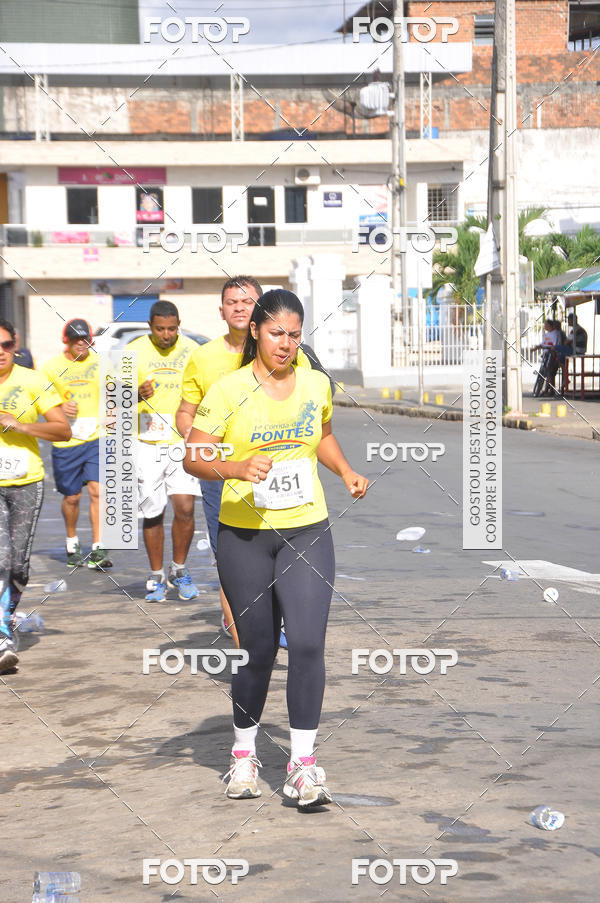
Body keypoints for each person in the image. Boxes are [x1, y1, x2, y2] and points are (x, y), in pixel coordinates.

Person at [184, 289, 368, 809]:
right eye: (276, 333)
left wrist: (346, 470)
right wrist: (236, 467)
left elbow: (322, 437)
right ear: (255, 332)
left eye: (294, 334)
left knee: (307, 644)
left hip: (306, 529)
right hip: (244, 535)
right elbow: (193, 456)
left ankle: (303, 767)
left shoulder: (314, 383)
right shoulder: (228, 389)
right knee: (258, 650)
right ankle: (243, 753)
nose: (285, 344)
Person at [175, 276, 329, 647]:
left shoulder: (293, 353)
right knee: (230, 559)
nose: (240, 308)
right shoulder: (204, 358)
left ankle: (277, 623)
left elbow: (318, 416)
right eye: (233, 302)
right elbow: (186, 413)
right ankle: (246, 643)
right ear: (222, 310)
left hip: (288, 482)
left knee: (285, 561)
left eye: (248, 301)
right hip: (225, 476)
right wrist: (206, 443)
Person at [0, 318, 71, 674]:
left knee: (18, 565)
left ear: (15, 346)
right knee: (0, 557)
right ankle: (1, 635)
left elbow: (63, 429)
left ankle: (6, 617)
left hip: (26, 481)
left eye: (6, 345)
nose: (0, 352)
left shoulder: (32, 380)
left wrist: (21, 425)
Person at [130, 300, 202, 603]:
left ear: (179, 325)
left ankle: (179, 569)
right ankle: (156, 575)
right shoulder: (132, 351)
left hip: (180, 442)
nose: (166, 334)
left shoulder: (193, 351)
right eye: (160, 329)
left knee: (185, 508)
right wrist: (134, 394)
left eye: (172, 329)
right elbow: (110, 399)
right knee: (153, 512)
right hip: (146, 443)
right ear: (150, 326)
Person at [42, 318, 112, 569]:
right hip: (66, 441)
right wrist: (59, 407)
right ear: (66, 341)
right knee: (72, 497)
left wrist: (113, 410)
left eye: (85, 340)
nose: (81, 344)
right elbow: (41, 400)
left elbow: (113, 391)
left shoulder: (102, 363)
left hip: (96, 438)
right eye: (76, 340)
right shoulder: (51, 368)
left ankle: (99, 547)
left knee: (98, 491)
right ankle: (72, 541)